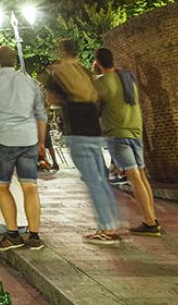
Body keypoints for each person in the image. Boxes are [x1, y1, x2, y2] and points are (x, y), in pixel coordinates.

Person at [44, 39, 121, 245]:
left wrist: (61, 99)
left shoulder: (58, 72)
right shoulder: (85, 71)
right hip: (94, 130)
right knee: (101, 179)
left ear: (60, 51)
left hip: (76, 131)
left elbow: (50, 99)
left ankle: (106, 228)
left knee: (92, 181)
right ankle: (112, 224)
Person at [0, 45, 48, 251]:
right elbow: (40, 115)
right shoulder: (30, 82)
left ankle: (13, 234)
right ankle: (35, 236)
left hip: (5, 140)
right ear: (16, 61)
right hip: (28, 138)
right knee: (30, 186)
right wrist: (41, 142)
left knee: (2, 186)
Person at [94, 47, 162, 237]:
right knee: (141, 175)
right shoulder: (127, 78)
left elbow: (96, 106)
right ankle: (152, 218)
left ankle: (150, 222)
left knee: (133, 177)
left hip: (118, 132)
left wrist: (95, 74)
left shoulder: (101, 82)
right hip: (135, 129)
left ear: (97, 62)